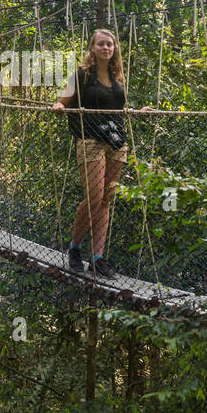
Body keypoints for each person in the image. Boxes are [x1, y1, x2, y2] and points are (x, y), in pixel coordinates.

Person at [51, 28, 150, 278]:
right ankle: (74, 248)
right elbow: (64, 100)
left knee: (106, 199)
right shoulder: (81, 75)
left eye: (110, 44)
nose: (106, 48)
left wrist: (137, 112)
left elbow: (118, 109)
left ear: (114, 49)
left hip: (116, 142)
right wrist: (58, 106)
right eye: (101, 44)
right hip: (91, 140)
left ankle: (97, 258)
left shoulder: (117, 79)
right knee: (94, 198)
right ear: (93, 49)